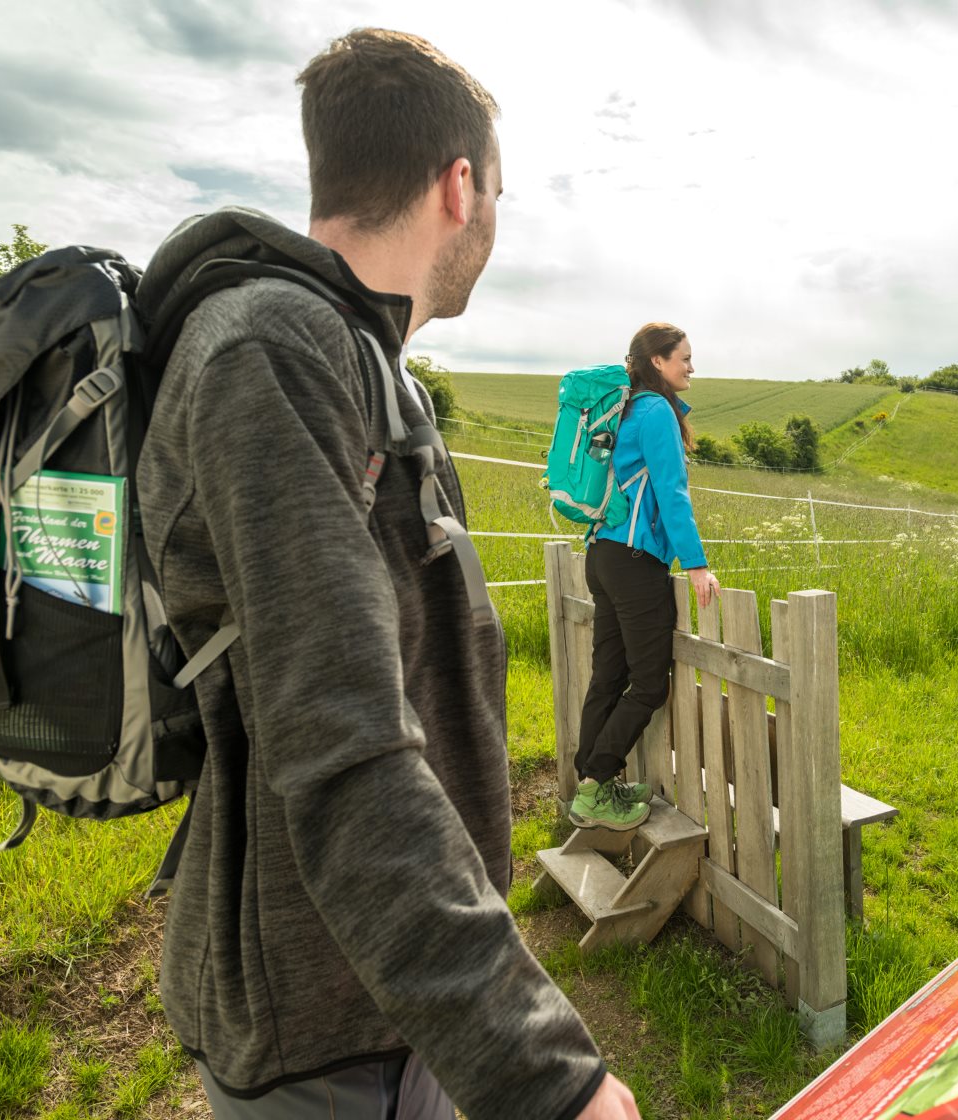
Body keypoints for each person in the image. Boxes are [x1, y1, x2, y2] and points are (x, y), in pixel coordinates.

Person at [136, 28, 638, 1120]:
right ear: (459, 186)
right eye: (497, 191)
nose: (493, 217)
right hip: (319, 1027)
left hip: (394, 996)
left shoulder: (360, 363)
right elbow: (342, 739)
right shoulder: (272, 351)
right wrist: (549, 1079)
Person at [570, 323, 720, 831]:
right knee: (650, 683)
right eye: (684, 357)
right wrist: (695, 562)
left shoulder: (626, 406)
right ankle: (595, 784)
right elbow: (672, 490)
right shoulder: (655, 411)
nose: (691, 367)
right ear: (657, 361)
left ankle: (589, 786)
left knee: (608, 675)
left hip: (603, 554)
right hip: (635, 561)